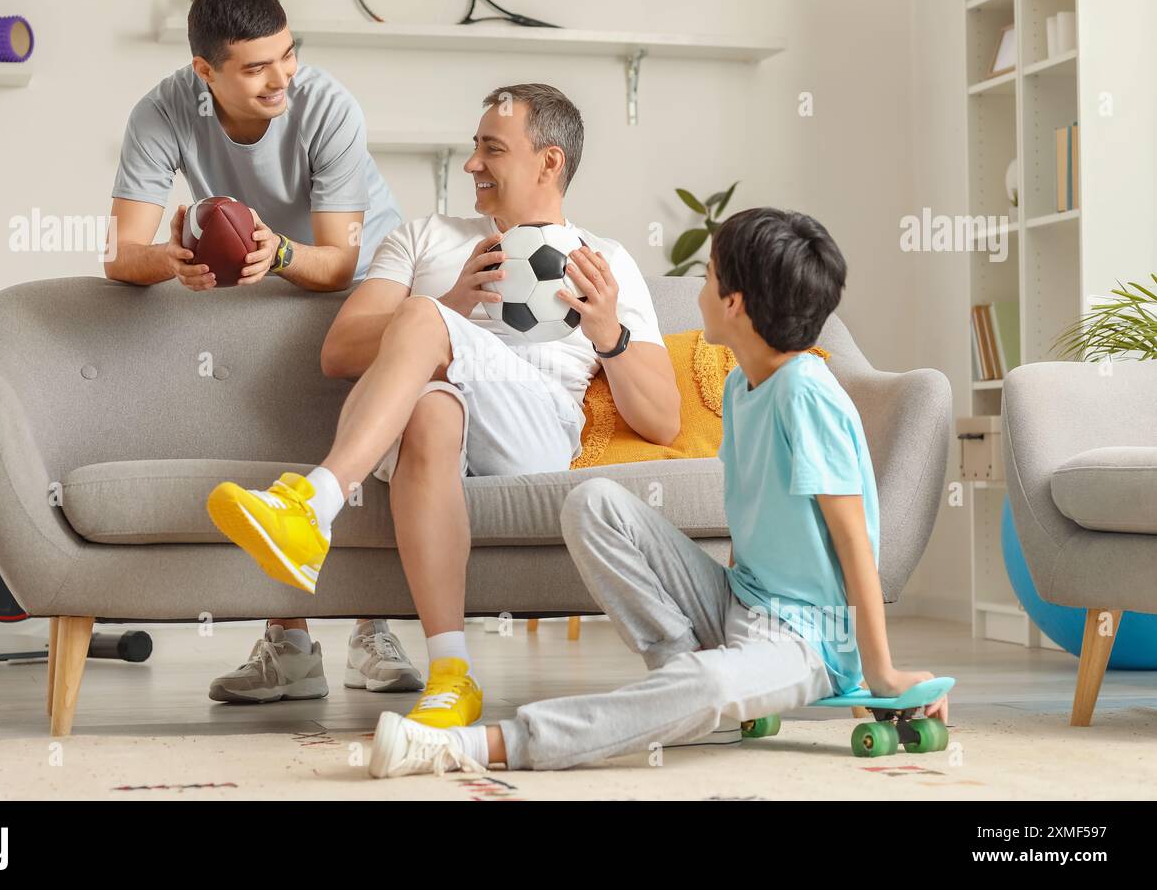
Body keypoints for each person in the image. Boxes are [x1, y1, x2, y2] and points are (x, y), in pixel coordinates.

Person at [363, 207, 950, 777]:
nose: (700, 287)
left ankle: (481, 744)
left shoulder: (805, 392)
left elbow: (853, 539)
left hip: (809, 640)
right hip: (737, 602)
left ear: (734, 304)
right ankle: (679, 667)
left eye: (710, 275)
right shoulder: (747, 386)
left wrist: (879, 671)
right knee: (593, 502)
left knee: (710, 685)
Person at [206, 82, 680, 728]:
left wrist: (609, 335)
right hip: (430, 434)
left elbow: (662, 419)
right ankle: (452, 673)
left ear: (549, 163)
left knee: (424, 319)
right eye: (473, 147)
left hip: (534, 437)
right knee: (432, 406)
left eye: (492, 149)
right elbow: (340, 351)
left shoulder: (605, 262)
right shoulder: (424, 236)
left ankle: (312, 504)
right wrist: (452, 305)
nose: (472, 165)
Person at [104, 0, 421, 702]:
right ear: (205, 73)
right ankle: (289, 646)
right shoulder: (162, 112)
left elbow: (339, 258)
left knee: (355, 440)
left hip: (361, 272)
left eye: (288, 55)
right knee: (270, 439)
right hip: (260, 271)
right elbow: (123, 254)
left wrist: (278, 253)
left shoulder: (327, 106)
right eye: (255, 67)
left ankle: (371, 630)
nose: (281, 78)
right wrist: (176, 258)